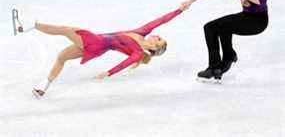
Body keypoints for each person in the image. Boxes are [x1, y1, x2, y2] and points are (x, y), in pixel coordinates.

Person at [14, 5, 186, 97]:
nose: (157, 36)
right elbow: (161, 20)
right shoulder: (142, 32)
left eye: (159, 40)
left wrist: (108, 73)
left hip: (96, 43)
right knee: (62, 57)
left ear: (156, 48)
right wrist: (179, 10)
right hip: (98, 43)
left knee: (65, 29)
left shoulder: (138, 53)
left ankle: (31, 25)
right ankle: (43, 87)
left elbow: (125, 64)